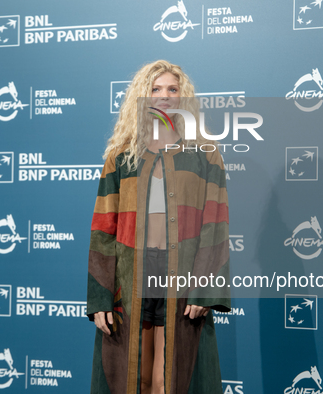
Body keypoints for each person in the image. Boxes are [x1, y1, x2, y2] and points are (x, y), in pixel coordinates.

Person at [87, 60, 230, 394]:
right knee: (137, 376)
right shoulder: (120, 157)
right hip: (130, 278)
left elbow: (215, 223)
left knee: (172, 377)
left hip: (180, 276)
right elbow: (102, 231)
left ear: (183, 98)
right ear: (142, 96)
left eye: (172, 89)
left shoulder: (204, 153)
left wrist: (205, 286)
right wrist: (99, 297)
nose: (164, 96)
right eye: (155, 89)